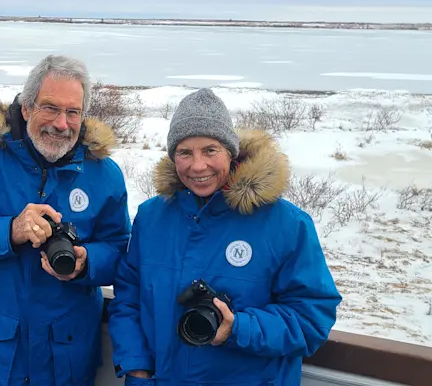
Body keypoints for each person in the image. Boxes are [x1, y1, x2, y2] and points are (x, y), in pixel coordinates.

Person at [107, 88, 342, 385]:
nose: (198, 166)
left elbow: (311, 318)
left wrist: (238, 329)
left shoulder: (286, 225)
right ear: (172, 157)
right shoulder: (152, 217)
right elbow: (128, 299)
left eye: (210, 150)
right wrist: (136, 368)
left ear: (231, 152)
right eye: (184, 152)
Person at [0, 54, 132, 386]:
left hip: (67, 363)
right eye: (50, 107)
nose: (62, 123)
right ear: (26, 108)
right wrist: (10, 231)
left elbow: (120, 252)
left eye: (73, 112)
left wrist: (86, 262)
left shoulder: (103, 175)